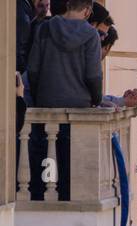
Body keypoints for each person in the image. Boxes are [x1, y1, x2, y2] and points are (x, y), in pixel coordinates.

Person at [24, 0, 102, 202]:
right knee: (70, 166)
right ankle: (66, 200)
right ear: (87, 11)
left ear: (68, 4)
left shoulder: (44, 29)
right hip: (77, 109)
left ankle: (40, 199)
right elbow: (93, 76)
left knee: (45, 160)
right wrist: (97, 99)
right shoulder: (91, 35)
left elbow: (32, 69)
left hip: (46, 104)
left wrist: (41, 92)